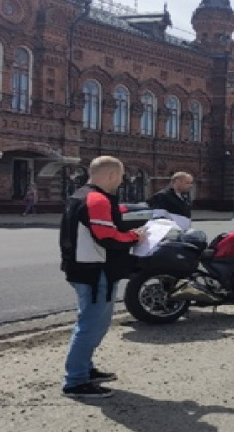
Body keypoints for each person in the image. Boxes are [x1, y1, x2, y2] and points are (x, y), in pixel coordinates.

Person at [59, 156, 146, 398]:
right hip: (95, 271)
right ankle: (76, 381)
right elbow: (106, 237)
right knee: (91, 326)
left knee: (89, 321)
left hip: (84, 268)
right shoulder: (96, 199)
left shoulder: (80, 195)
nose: (120, 182)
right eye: (120, 177)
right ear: (111, 175)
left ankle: (84, 369)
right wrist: (134, 238)